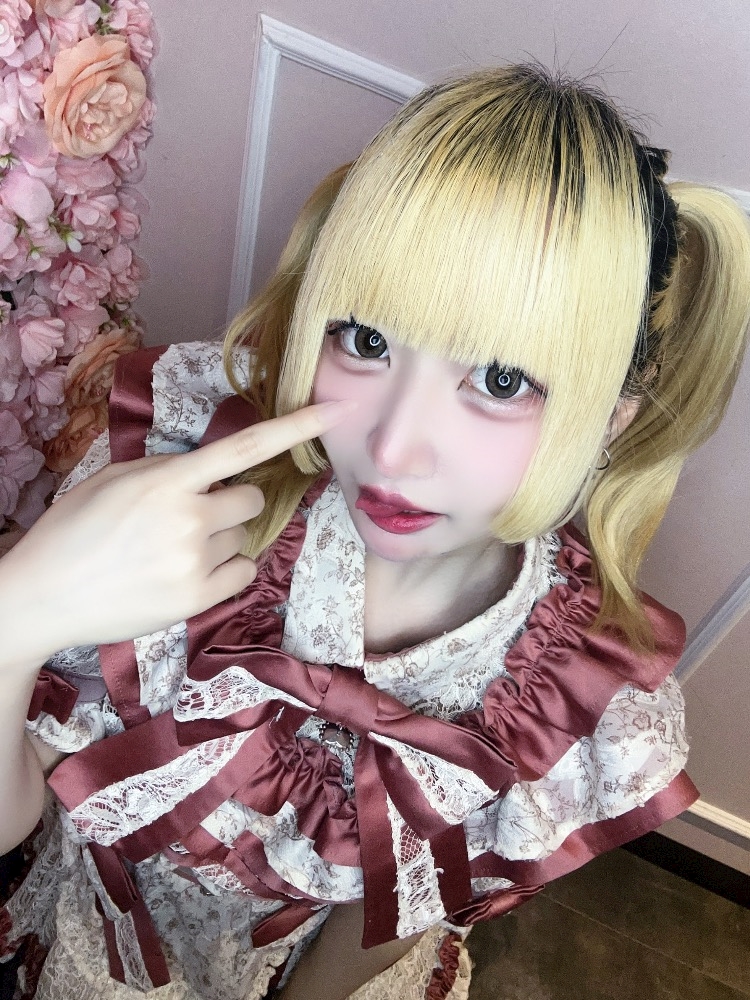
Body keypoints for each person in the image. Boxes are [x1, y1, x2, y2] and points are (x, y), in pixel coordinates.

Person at [1, 64, 749, 1000]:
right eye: (365, 340)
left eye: (502, 381)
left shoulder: (575, 704)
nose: (392, 449)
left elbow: (385, 930)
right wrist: (15, 616)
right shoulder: (187, 483)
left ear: (611, 421)